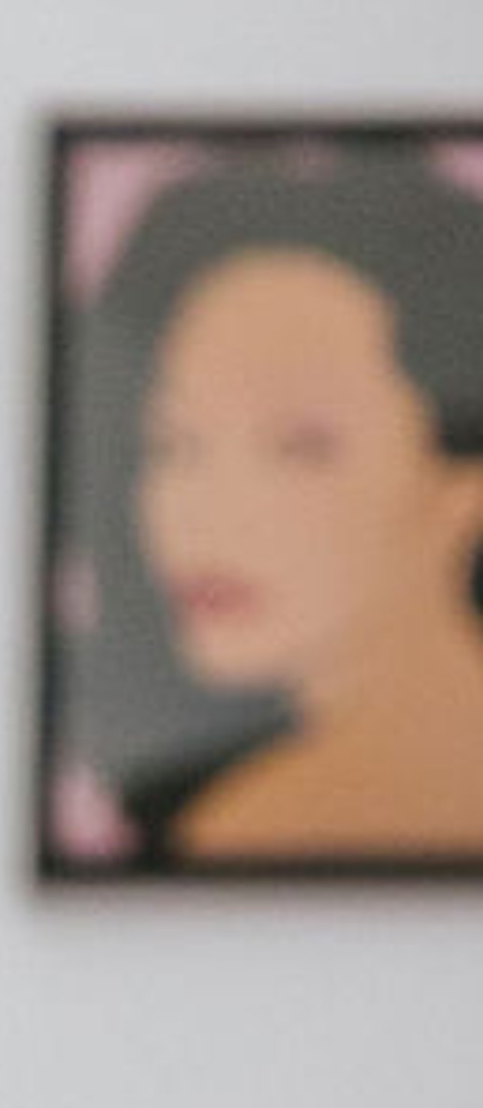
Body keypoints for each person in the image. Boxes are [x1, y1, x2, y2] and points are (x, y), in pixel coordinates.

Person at [92, 146, 483, 864]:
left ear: (462, 486)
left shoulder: (258, 822)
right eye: (174, 445)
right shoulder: (231, 806)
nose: (209, 514)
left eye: (298, 447)